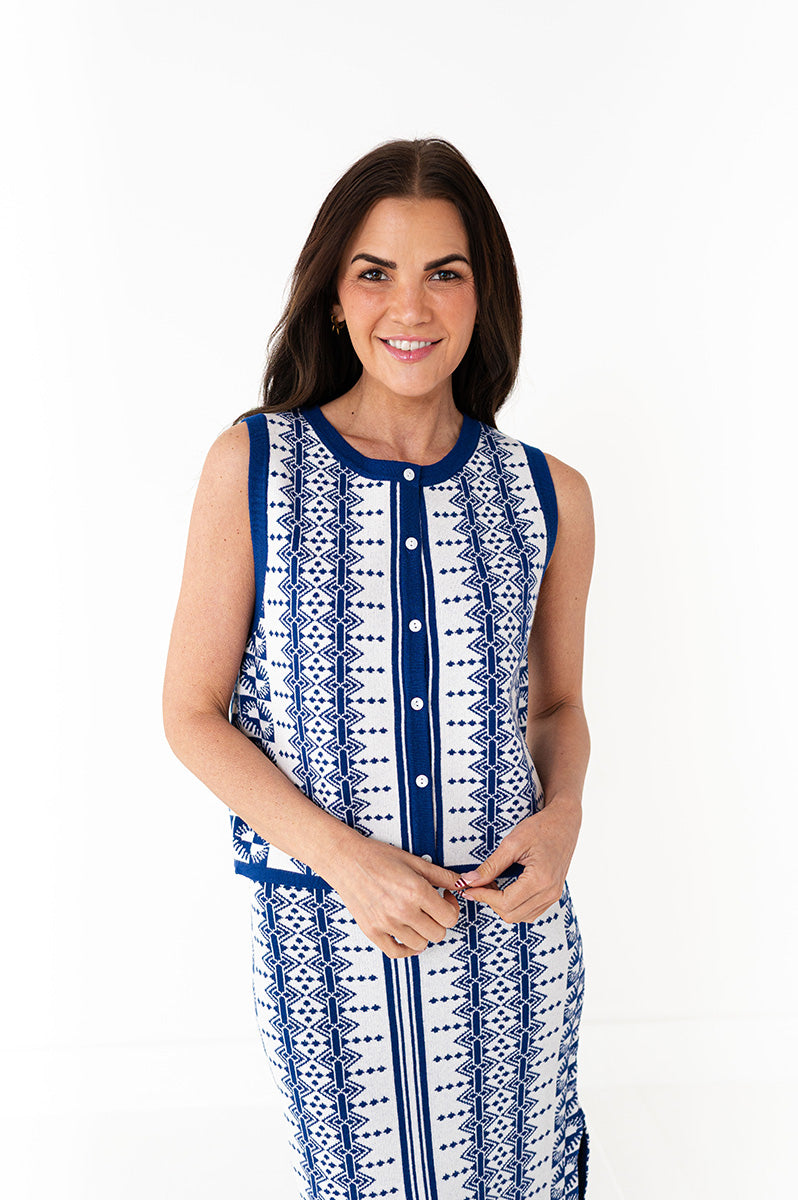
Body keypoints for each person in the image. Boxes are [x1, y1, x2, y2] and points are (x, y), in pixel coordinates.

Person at [163, 136, 595, 1199]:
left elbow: (558, 706)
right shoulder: (253, 467)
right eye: (375, 272)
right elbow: (191, 713)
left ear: (484, 295)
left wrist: (563, 819)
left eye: (445, 272)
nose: (411, 305)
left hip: (511, 942)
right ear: (333, 298)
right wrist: (345, 863)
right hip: (329, 944)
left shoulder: (549, 494)